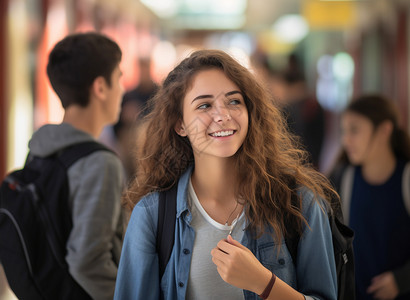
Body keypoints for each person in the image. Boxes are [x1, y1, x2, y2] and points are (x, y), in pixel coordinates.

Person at [114, 49, 338, 300]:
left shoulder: (299, 204)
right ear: (180, 124)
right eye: (204, 105)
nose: (223, 115)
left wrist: (264, 283)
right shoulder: (152, 215)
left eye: (234, 101)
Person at [29, 32, 125, 299]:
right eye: (118, 78)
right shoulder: (100, 163)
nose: (123, 88)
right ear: (100, 88)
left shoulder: (40, 149)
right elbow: (88, 261)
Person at [330, 94, 410, 300]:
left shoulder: (406, 178)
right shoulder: (342, 178)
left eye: (354, 130)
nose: (345, 140)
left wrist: (401, 280)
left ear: (384, 130)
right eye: (344, 131)